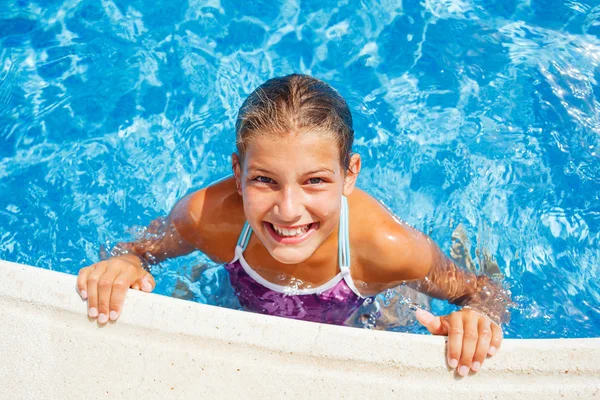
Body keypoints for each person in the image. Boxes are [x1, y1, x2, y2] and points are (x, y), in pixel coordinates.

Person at [77, 74, 511, 377]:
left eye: (315, 181)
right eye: (264, 180)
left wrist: (476, 319)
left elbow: (483, 290)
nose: (288, 210)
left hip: (364, 314)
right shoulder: (205, 218)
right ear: (237, 171)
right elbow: (135, 250)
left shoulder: (385, 245)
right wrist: (127, 264)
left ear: (350, 174)